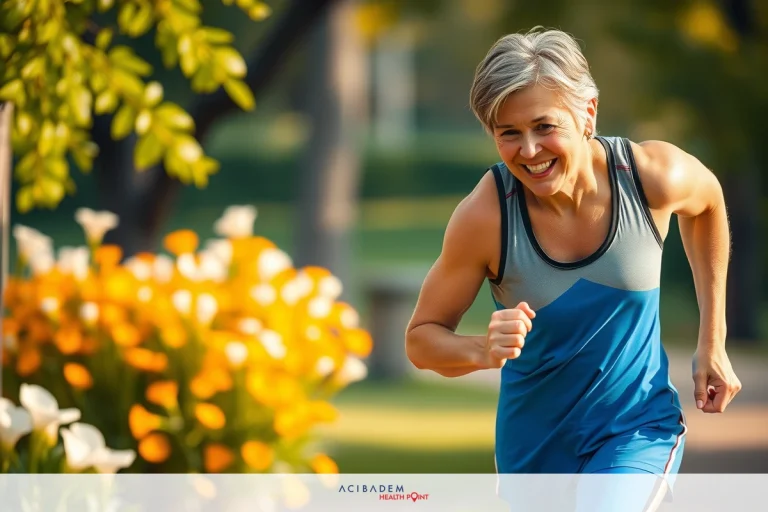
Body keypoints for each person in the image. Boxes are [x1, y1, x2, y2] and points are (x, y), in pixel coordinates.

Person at [404, 28, 742, 511]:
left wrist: (713, 340)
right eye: (509, 134)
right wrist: (482, 348)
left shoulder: (648, 179)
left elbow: (707, 203)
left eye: (545, 126)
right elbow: (420, 339)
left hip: (635, 427)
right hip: (533, 452)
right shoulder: (487, 217)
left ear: (588, 113)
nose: (530, 151)